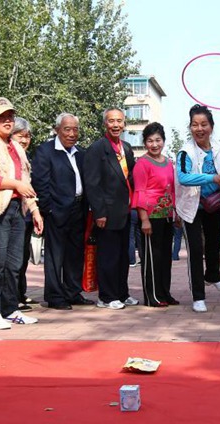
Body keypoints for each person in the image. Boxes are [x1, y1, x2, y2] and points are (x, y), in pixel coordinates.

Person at [0, 97, 44, 330]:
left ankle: (10, 308)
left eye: (10, 116)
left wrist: (35, 210)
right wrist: (14, 184)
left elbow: (26, 182)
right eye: (1, 117)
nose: (7, 121)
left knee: (14, 265)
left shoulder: (15, 147)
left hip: (15, 210)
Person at [174, 104, 220, 313]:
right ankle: (198, 297)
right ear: (190, 127)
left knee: (214, 244)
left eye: (204, 124)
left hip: (214, 203)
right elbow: (183, 178)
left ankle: (213, 276)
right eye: (195, 125)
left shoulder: (219, 148)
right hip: (191, 206)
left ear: (211, 126)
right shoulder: (185, 152)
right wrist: (211, 177)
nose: (199, 128)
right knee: (195, 250)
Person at [30, 113, 90, 310]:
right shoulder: (46, 151)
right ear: (57, 130)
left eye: (75, 129)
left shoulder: (80, 153)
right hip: (56, 210)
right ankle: (55, 296)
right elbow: (40, 182)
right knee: (55, 255)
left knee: (75, 253)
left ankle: (72, 292)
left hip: (78, 208)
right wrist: (49, 209)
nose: (72, 133)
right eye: (67, 129)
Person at [84, 108, 139, 310]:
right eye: (111, 121)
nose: (116, 125)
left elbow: (131, 178)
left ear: (124, 123)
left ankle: (122, 293)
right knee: (108, 255)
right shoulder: (97, 149)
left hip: (125, 211)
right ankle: (106, 296)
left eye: (119, 121)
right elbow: (92, 184)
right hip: (106, 214)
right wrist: (99, 212)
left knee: (123, 255)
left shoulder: (127, 148)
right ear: (105, 124)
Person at [132, 122, 177, 307]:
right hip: (150, 218)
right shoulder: (142, 164)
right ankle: (153, 297)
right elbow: (140, 192)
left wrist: (176, 213)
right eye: (150, 141)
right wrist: (144, 220)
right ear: (145, 143)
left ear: (164, 141)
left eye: (158, 140)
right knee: (151, 259)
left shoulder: (168, 163)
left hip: (167, 217)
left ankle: (165, 293)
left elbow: (173, 190)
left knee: (166, 258)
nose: (155, 144)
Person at [11, 117, 36, 310]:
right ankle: (12, 298)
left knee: (22, 256)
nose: (24, 140)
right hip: (9, 213)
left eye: (27, 136)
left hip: (25, 214)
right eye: (20, 136)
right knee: (12, 259)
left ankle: (20, 293)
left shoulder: (25, 157)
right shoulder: (6, 156)